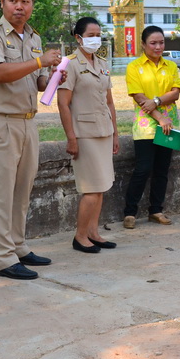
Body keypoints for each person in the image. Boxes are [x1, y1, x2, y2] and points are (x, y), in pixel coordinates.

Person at [0, 0, 62, 280]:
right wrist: (39, 61)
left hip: (27, 121)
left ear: (32, 5)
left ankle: (18, 246)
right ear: (2, 3)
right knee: (0, 194)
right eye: (13, 1)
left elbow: (35, 81)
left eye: (25, 1)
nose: (19, 7)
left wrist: (51, 78)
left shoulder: (33, 37)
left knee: (22, 190)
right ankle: (3, 258)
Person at [57, 17, 119, 253]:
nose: (96, 39)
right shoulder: (69, 64)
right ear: (78, 38)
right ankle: (80, 236)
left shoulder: (102, 63)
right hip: (84, 134)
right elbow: (63, 103)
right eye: (90, 35)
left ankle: (93, 232)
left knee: (101, 186)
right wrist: (71, 137)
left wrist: (115, 133)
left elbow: (109, 101)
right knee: (91, 189)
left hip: (104, 131)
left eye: (98, 35)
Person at [122, 25, 180, 229]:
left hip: (168, 124)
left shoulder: (170, 66)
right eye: (153, 43)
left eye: (161, 43)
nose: (158, 47)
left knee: (162, 169)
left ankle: (156, 210)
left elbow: (175, 92)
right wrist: (159, 116)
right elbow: (139, 96)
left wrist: (156, 101)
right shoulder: (134, 67)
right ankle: (130, 212)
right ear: (143, 44)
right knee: (143, 168)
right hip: (146, 125)